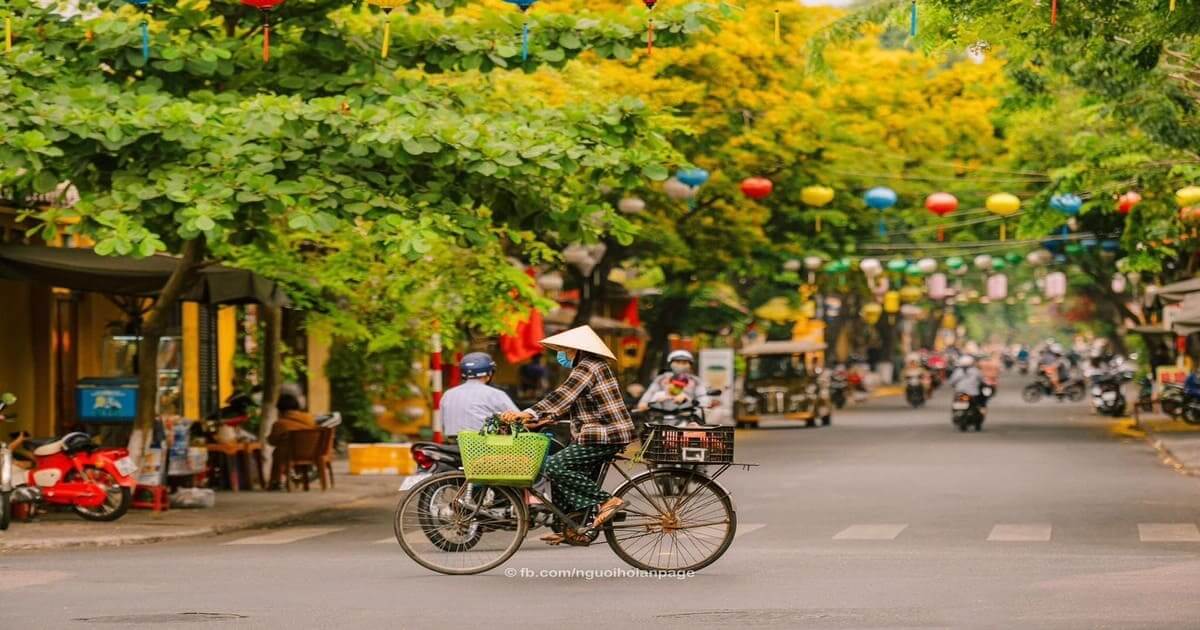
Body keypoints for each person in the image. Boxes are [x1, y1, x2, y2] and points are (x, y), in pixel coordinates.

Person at [501, 325, 635, 546]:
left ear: (578, 350)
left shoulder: (588, 366)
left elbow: (563, 395)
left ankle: (608, 501)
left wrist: (529, 412)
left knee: (554, 466)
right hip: (598, 433)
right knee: (561, 476)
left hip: (605, 434)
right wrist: (542, 420)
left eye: (566, 350)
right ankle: (573, 527)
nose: (562, 354)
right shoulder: (591, 366)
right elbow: (573, 403)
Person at [439, 352, 518, 441]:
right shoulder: (495, 394)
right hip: (482, 445)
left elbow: (441, 425)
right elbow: (519, 419)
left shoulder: (448, 394)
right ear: (489, 373)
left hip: (451, 445)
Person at [636, 350, 712, 413]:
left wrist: (687, 400)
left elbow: (703, 400)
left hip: (686, 417)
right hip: (660, 416)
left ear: (690, 365)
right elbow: (649, 394)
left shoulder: (695, 381)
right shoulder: (661, 379)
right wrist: (646, 403)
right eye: (677, 362)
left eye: (684, 363)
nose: (681, 365)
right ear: (670, 363)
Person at [267, 393, 317, 489]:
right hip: (312, 453)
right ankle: (297, 476)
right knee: (281, 451)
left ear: (280, 410)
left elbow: (272, 441)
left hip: (289, 455)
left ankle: (276, 481)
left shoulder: (280, 424)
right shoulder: (310, 419)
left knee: (277, 452)